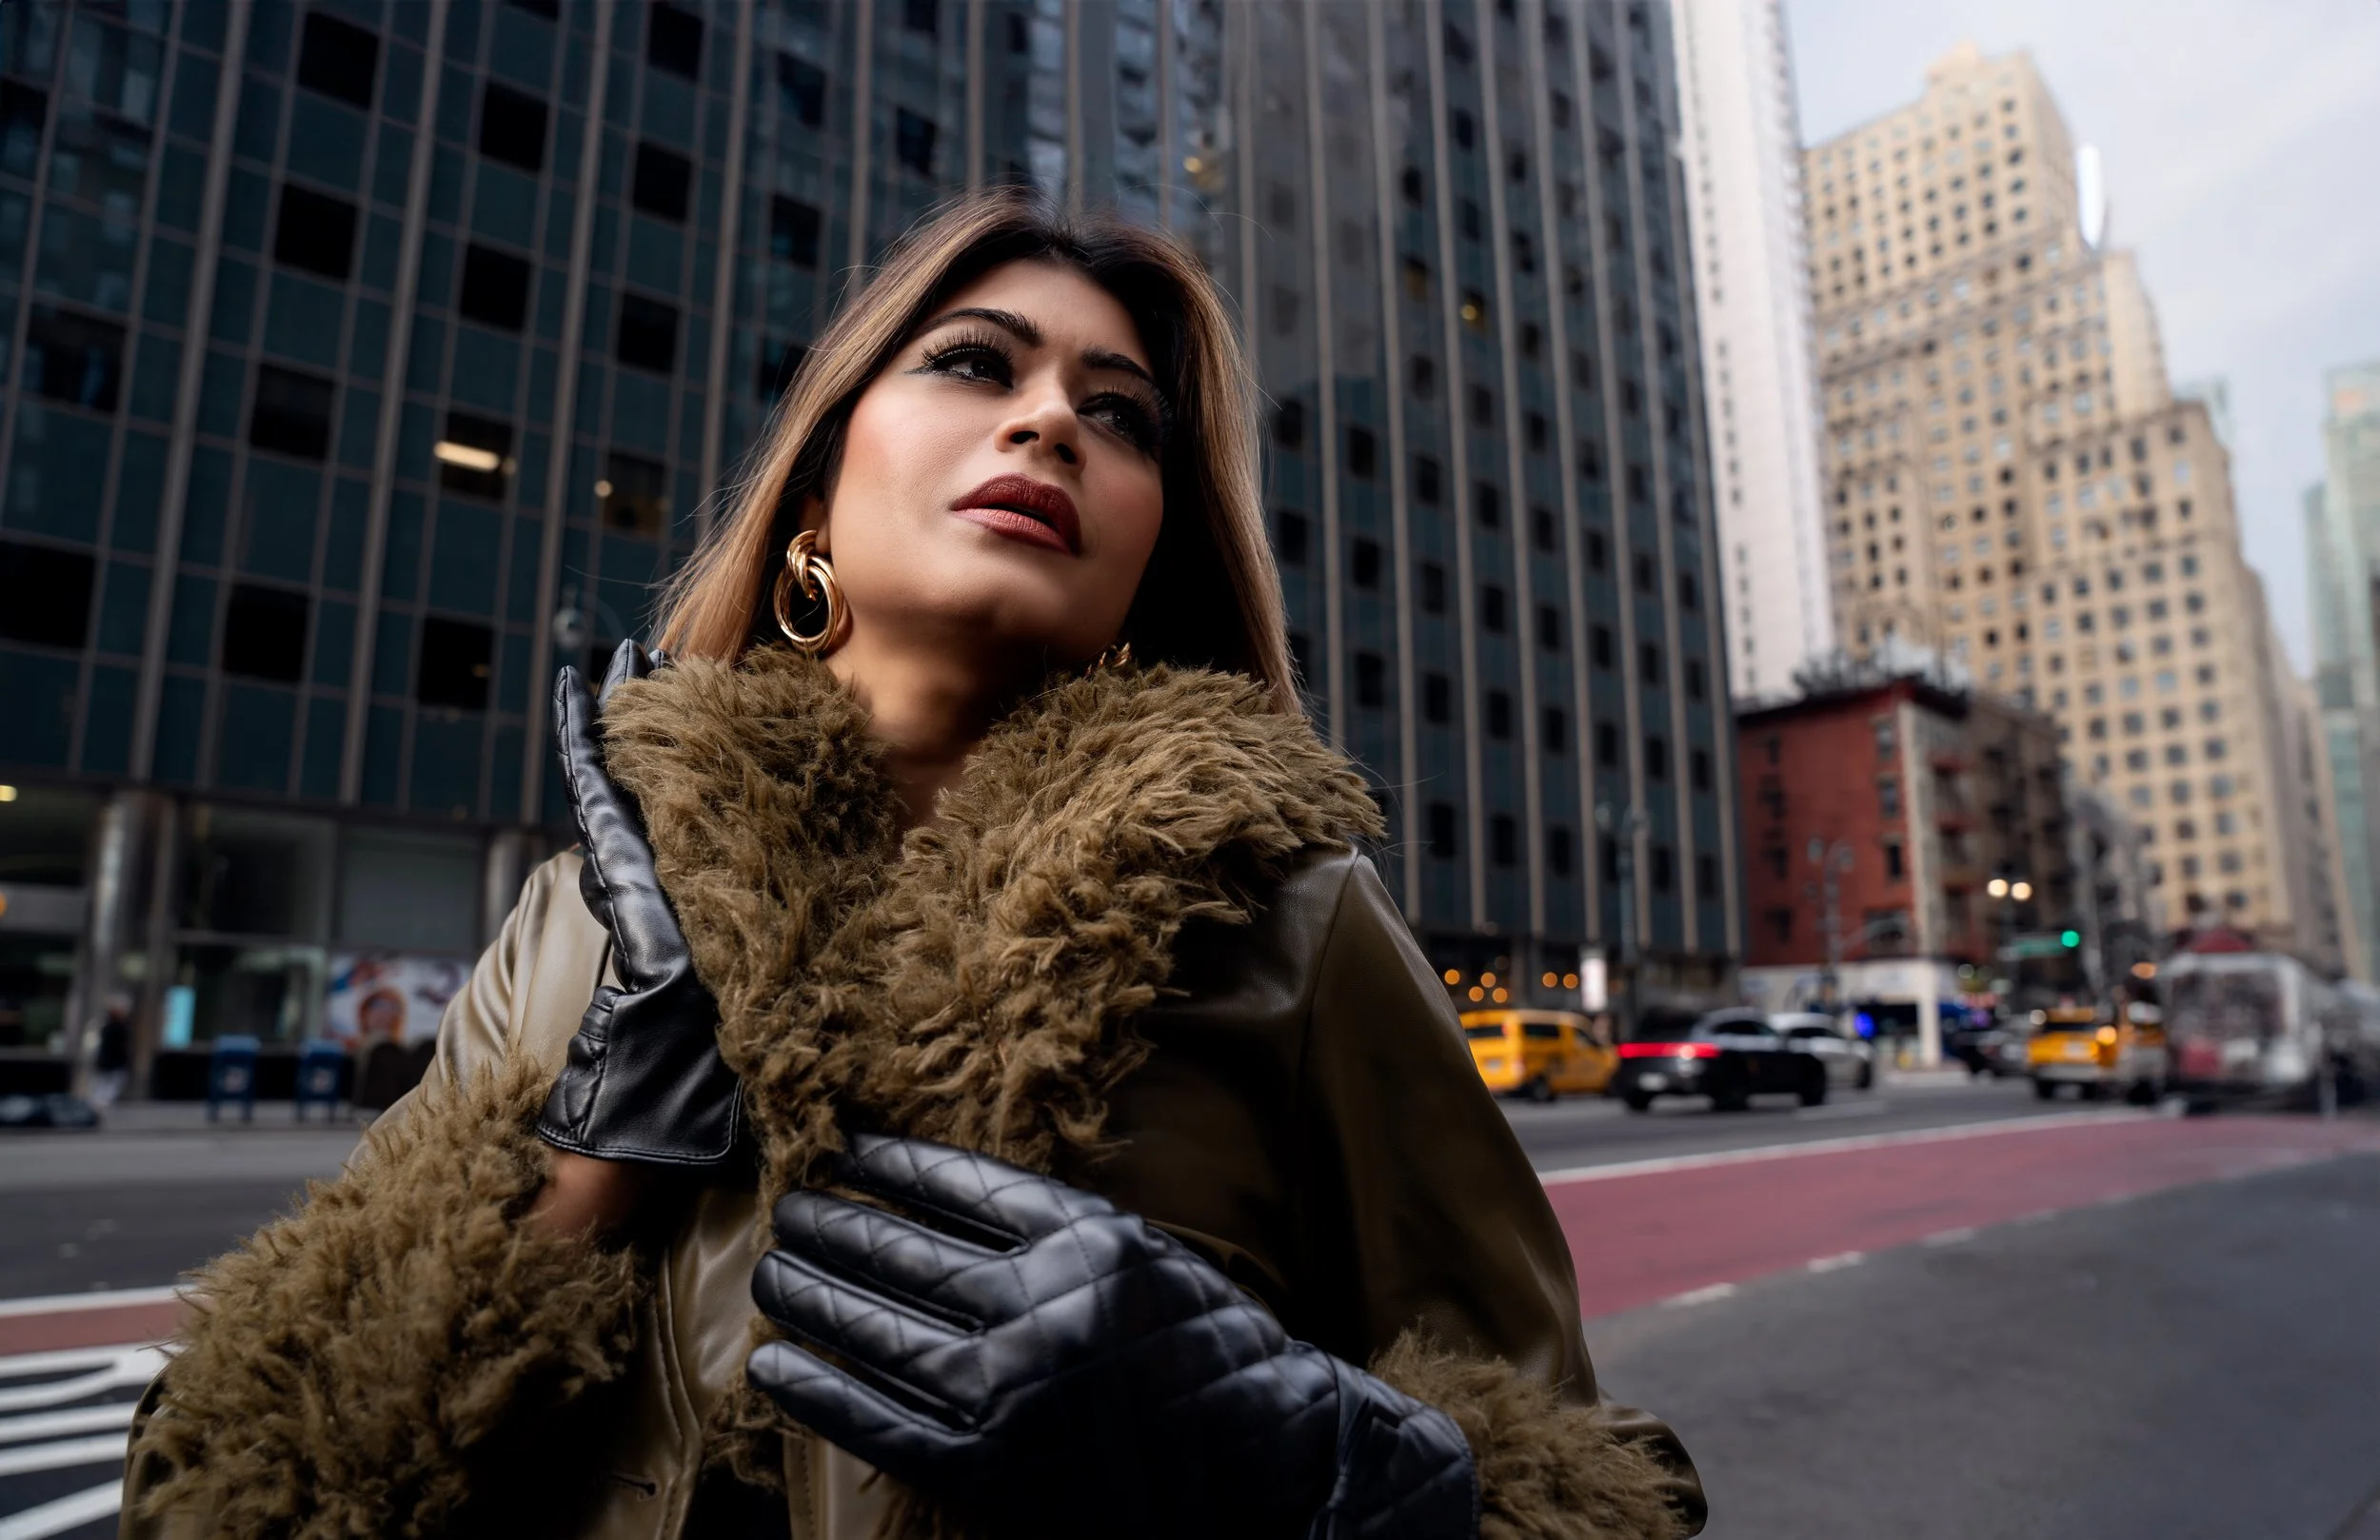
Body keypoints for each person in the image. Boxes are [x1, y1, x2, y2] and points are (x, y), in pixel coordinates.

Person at [122, 188, 1703, 1540]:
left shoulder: (1286, 919)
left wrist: (1309, 1459)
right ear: (817, 496)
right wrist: (589, 1173)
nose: (1048, 421)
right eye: (972, 363)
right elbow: (231, 1476)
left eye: (1120, 413)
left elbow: (1588, 1484)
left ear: (1152, 547)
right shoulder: (592, 915)